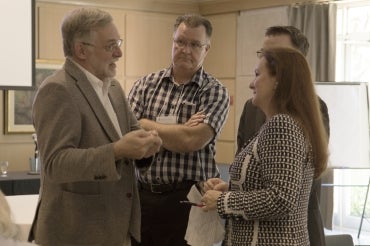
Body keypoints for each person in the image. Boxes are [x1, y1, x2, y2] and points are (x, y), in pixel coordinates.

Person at [28, 8, 162, 246]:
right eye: (111, 45)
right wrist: (117, 150)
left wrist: (147, 147)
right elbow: (55, 164)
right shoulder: (58, 89)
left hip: (117, 229)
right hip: (76, 233)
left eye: (118, 43)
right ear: (81, 50)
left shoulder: (113, 89)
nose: (119, 53)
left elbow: (133, 138)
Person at [201, 47, 329, 245]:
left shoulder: (282, 125)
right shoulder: (287, 124)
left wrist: (222, 201)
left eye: (257, 74)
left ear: (278, 81)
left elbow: (281, 199)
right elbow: (274, 185)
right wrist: (231, 188)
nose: (252, 83)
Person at [128, 14, 230, 246]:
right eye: (180, 42)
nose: (186, 50)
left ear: (207, 49)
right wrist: (181, 129)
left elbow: (191, 141)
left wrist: (144, 123)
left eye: (195, 44)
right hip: (143, 198)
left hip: (189, 201)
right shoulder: (144, 85)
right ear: (172, 42)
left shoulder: (214, 91)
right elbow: (129, 136)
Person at [236, 26, 330, 246]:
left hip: (289, 231)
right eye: (263, 54)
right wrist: (231, 187)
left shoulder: (312, 109)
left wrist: (225, 200)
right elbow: (246, 166)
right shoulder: (251, 108)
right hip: (250, 230)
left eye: (275, 56)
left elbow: (287, 189)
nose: (266, 59)